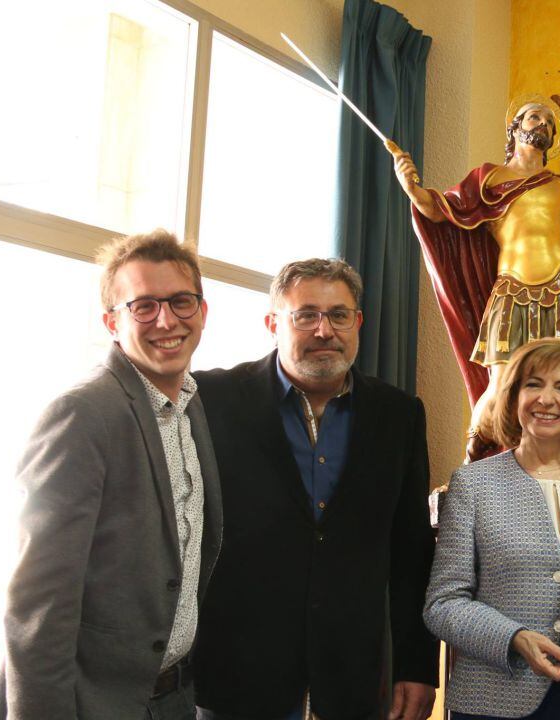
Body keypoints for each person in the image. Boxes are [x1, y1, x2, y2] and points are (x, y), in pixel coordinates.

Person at [0, 230, 222, 719]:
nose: (166, 320)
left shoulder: (193, 407)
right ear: (113, 322)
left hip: (173, 699)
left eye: (180, 302)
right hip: (91, 703)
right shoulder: (83, 414)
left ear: (202, 311)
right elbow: (37, 604)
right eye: (143, 307)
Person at [191, 259, 438, 720]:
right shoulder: (211, 399)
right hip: (237, 677)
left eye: (339, 314)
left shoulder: (399, 415)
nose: (324, 330)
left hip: (352, 680)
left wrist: (417, 665)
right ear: (273, 324)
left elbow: (411, 553)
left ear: (358, 323)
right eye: (305, 315)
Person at [391, 97, 560, 458]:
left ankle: (556, 467)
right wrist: (411, 188)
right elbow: (439, 211)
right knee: (500, 383)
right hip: (512, 288)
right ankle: (476, 456)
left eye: (549, 122)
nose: (543, 125)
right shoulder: (490, 179)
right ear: (515, 128)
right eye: (535, 117)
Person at [424, 338, 560, 719]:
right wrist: (513, 638)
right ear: (513, 395)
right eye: (533, 384)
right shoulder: (473, 484)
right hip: (493, 700)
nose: (546, 399)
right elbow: (442, 604)